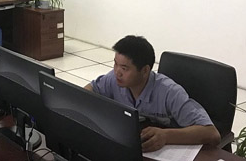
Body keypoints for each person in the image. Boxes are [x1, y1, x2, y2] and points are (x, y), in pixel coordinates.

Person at [84, 35, 220, 152]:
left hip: (171, 149)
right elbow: (87, 91)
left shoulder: (170, 92)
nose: (117, 72)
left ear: (145, 70)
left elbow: (212, 133)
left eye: (124, 68)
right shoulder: (114, 79)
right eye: (115, 64)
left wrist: (166, 136)